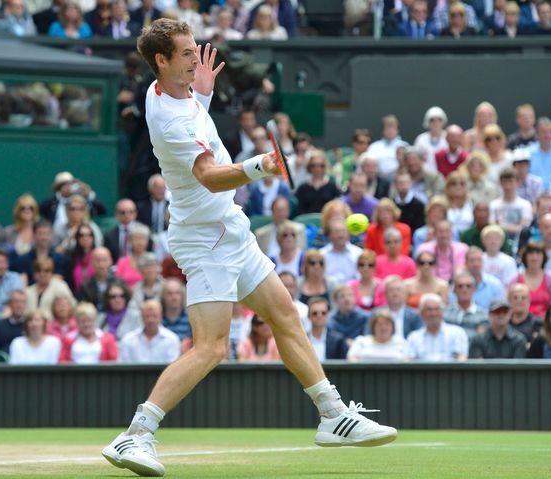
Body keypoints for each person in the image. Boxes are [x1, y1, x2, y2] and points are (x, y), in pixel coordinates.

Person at [102, 21, 397, 477]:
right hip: (204, 239)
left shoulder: (172, 95)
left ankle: (333, 414)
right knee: (212, 347)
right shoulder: (171, 118)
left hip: (230, 228)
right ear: (160, 61)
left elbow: (194, 114)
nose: (194, 60)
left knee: (285, 313)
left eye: (193, 51)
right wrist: (262, 165)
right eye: (184, 54)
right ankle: (135, 434)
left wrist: (200, 92)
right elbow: (209, 175)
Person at [406, 293, 468, 361]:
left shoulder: (457, 333)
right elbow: (409, 362)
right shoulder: (414, 337)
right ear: (421, 314)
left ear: (442, 312)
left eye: (437, 309)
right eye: (429, 310)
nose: (433, 313)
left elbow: (462, 359)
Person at [120, 299, 181, 363]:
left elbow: (173, 368)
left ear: (161, 316)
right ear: (142, 316)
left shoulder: (172, 339)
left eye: (154, 316)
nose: (151, 320)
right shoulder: (128, 340)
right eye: (147, 316)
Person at [12, 221, 66, 285]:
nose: (44, 237)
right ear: (34, 235)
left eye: (47, 234)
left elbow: (58, 282)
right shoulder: (23, 260)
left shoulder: (60, 259)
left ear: (51, 236)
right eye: (40, 234)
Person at [515, 242, 551, 317]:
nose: (534, 257)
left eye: (538, 253)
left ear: (544, 257)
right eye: (531, 253)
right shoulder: (516, 280)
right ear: (525, 257)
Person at [489, 167, 533, 242]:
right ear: (500, 183)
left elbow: (523, 229)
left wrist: (501, 226)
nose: (508, 186)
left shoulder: (525, 205)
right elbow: (492, 227)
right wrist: (515, 227)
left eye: (511, 182)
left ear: (518, 182)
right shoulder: (493, 205)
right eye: (505, 182)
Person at [443, 271, 488, 338]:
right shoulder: (444, 313)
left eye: (468, 286)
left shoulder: (483, 316)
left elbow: (480, 341)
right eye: (460, 286)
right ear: (454, 290)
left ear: (474, 289)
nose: (464, 289)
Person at [295, 150, 341, 214]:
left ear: (325, 167)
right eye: (313, 165)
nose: (317, 168)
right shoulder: (302, 188)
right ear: (309, 167)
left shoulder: (332, 187)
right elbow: (299, 210)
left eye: (321, 166)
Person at [462, 246, 505, 312]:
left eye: (479, 260)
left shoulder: (495, 284)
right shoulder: (459, 285)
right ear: (466, 263)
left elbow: (500, 309)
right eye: (472, 260)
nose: (476, 264)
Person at [319, 219, 363, 283]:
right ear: (329, 235)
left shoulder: (358, 253)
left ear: (349, 234)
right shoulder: (321, 254)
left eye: (343, 231)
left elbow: (361, 278)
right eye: (337, 232)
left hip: (352, 290)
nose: (340, 235)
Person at [306, 297, 348, 361]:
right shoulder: (302, 339)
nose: (319, 316)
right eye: (315, 313)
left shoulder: (338, 340)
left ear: (328, 315)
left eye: (323, 313)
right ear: (308, 316)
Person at [115, 223, 153, 288]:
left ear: (147, 241)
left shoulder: (152, 260)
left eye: (142, 238)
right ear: (130, 241)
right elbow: (117, 284)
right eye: (136, 238)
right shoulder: (122, 261)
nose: (139, 242)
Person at [0, 289, 29, 355]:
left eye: (23, 302)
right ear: (9, 304)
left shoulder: (30, 325)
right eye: (16, 302)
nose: (19, 305)